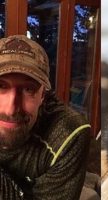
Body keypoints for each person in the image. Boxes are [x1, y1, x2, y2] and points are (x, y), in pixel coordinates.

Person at [0, 35, 90, 199]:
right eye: (1, 86)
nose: (11, 109)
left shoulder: (67, 134)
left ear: (43, 95)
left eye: (28, 89)